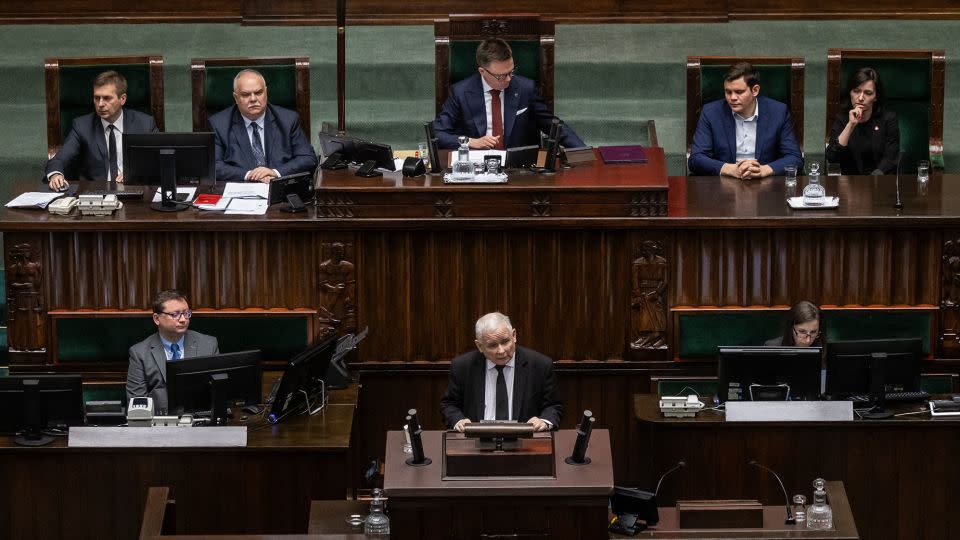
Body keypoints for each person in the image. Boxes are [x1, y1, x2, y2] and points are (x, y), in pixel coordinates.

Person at [432, 38, 585, 150]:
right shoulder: (460, 92)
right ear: (482, 72)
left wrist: (582, 151)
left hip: (519, 167)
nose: (509, 79)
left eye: (511, 72)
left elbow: (551, 125)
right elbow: (438, 133)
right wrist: (471, 142)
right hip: (477, 166)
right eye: (501, 76)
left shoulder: (526, 88)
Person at [440, 312, 562, 432]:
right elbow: (449, 405)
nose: (501, 351)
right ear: (480, 346)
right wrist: (458, 420)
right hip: (476, 442)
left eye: (505, 342)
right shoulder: (463, 367)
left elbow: (554, 406)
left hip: (525, 442)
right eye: (492, 345)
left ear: (514, 335)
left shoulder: (540, 365)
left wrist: (544, 421)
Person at [45, 70, 158, 190]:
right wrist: (56, 174)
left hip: (134, 191)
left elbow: (159, 159)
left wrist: (137, 173)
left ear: (122, 99)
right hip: (95, 194)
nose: (100, 104)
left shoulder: (145, 124)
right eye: (96, 98)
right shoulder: (82, 126)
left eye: (107, 98)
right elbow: (60, 159)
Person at [688, 62, 803, 179]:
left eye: (739, 92)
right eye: (728, 92)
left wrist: (764, 170)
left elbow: (795, 158)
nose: (732, 98)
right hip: (724, 182)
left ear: (755, 90)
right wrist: (730, 169)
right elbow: (696, 159)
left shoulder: (778, 112)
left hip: (766, 183)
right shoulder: (711, 113)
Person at [208, 69, 318, 183]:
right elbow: (214, 166)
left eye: (258, 92)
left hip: (280, 190)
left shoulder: (288, 120)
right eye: (245, 94)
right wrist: (250, 175)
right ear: (236, 98)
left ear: (266, 92)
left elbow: (308, 159)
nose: (253, 99)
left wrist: (275, 172)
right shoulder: (219, 124)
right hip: (241, 191)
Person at [126, 290, 219, 414]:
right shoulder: (139, 353)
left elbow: (218, 393)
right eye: (175, 314)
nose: (183, 320)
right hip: (159, 426)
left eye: (186, 313)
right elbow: (137, 403)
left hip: (200, 422)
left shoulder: (208, 345)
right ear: (156, 318)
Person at [825, 67, 900, 175]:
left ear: (875, 97)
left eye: (868, 93)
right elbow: (831, 157)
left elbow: (891, 157)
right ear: (850, 93)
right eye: (856, 91)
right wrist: (850, 125)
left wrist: (872, 181)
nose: (860, 98)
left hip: (879, 182)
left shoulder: (888, 119)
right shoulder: (842, 119)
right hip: (849, 185)